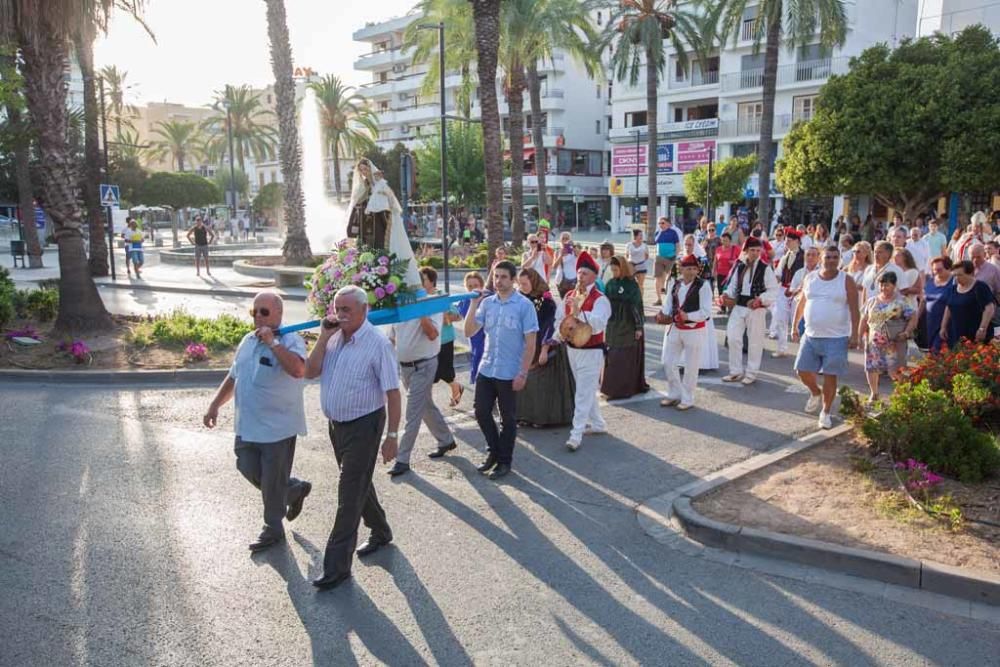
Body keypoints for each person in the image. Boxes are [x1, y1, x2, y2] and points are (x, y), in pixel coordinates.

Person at [305, 286, 401, 590]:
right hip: (337, 425)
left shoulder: (377, 344)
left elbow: (393, 393)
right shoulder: (332, 338)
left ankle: (336, 567)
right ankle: (381, 530)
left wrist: (392, 436)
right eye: (337, 308)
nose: (340, 315)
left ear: (364, 310)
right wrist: (322, 337)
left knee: (348, 495)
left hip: (366, 425)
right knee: (358, 483)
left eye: (347, 310)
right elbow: (309, 371)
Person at [202, 292, 311, 552]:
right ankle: (293, 490)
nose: (258, 317)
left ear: (279, 314)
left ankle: (273, 529)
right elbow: (233, 377)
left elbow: (298, 370)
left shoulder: (291, 340)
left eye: (264, 312)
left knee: (272, 480)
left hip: (278, 428)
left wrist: (274, 343)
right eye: (255, 312)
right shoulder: (247, 341)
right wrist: (215, 405)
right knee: (246, 465)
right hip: (248, 425)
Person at [463, 260, 538, 479]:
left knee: (508, 419)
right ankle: (493, 451)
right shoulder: (487, 304)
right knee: (481, 411)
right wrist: (474, 304)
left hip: (509, 371)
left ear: (513, 279)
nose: (499, 281)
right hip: (487, 368)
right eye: (496, 276)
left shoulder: (524, 306)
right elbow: (468, 331)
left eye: (504, 277)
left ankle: (504, 461)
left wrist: (523, 372)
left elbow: (531, 343)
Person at [386, 268, 457, 477]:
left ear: (429, 284)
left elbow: (434, 334)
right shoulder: (401, 304)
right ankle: (446, 440)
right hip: (405, 366)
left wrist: (420, 313)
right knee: (425, 405)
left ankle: (402, 459)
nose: (415, 285)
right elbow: (391, 337)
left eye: (421, 281)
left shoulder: (432, 305)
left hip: (424, 365)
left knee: (413, 411)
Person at [791, 247, 859, 429]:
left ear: (839, 259)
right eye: (828, 257)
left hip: (836, 337)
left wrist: (855, 335)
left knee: (831, 375)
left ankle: (826, 412)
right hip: (811, 334)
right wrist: (794, 326)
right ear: (821, 258)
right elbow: (802, 303)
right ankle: (815, 392)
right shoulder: (811, 278)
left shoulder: (846, 280)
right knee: (801, 370)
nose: (831, 260)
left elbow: (854, 308)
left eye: (835, 257)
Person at [557, 251, 611, 451]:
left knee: (582, 393)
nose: (580, 276)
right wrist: (557, 335)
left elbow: (598, 324)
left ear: (594, 276)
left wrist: (581, 312)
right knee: (584, 388)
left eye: (585, 273)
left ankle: (575, 435)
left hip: (592, 350)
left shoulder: (600, 299)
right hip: (573, 348)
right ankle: (598, 424)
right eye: (579, 273)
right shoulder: (570, 296)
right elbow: (559, 319)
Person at [515, 268, 574, 426]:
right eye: (519, 284)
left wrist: (544, 350)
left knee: (541, 385)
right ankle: (524, 416)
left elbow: (550, 326)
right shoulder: (518, 298)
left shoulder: (546, 301)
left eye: (525, 284)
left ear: (533, 281)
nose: (521, 287)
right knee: (525, 384)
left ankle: (543, 418)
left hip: (543, 346)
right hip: (525, 346)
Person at [657, 255, 714, 410]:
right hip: (675, 328)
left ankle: (687, 398)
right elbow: (668, 303)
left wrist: (689, 316)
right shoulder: (675, 284)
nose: (691, 271)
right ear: (681, 269)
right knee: (669, 362)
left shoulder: (703, 286)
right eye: (688, 268)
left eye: (694, 269)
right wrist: (662, 314)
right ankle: (674, 393)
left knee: (691, 366)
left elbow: (706, 312)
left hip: (694, 330)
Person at [721, 237, 779, 385]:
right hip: (739, 306)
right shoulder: (739, 266)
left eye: (758, 250)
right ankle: (735, 371)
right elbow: (733, 286)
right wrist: (727, 294)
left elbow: (773, 290)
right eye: (752, 250)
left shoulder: (765, 268)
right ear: (746, 251)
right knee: (733, 337)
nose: (755, 253)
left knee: (755, 341)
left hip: (756, 309)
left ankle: (752, 373)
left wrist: (760, 299)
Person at [860, 272, 919, 403]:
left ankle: (903, 395)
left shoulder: (901, 301)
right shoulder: (872, 301)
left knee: (896, 371)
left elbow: (913, 317)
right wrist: (859, 337)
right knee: (872, 368)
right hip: (874, 342)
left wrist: (906, 332)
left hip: (894, 342)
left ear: (894, 285)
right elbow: (864, 320)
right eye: (881, 285)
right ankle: (874, 394)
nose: (883, 288)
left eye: (887, 285)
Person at [600, 255, 648, 399]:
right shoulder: (610, 284)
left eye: (616, 270)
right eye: (612, 270)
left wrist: (638, 327)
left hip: (628, 324)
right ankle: (610, 388)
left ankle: (622, 390)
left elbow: (637, 306)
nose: (614, 273)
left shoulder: (631, 284)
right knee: (611, 355)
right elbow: (605, 303)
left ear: (623, 268)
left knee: (623, 357)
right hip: (613, 324)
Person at [940, 260, 997, 347]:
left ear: (970, 273)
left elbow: (989, 308)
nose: (956, 278)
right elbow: (948, 307)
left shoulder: (980, 287)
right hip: (956, 334)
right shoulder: (952, 289)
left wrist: (982, 329)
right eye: (954, 275)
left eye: (960, 275)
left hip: (976, 335)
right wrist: (943, 327)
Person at [771, 228, 804, 354]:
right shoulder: (786, 256)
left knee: (798, 319)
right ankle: (782, 348)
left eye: (789, 241)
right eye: (786, 240)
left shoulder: (803, 256)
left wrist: (797, 288)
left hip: (798, 291)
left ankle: (803, 349)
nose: (787, 243)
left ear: (797, 241)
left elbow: (806, 274)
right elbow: (779, 273)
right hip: (783, 290)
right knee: (780, 318)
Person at [918, 256, 953, 353]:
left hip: (946, 323)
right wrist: (916, 318)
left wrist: (943, 326)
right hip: (930, 323)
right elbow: (923, 301)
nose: (936, 272)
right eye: (934, 270)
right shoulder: (930, 281)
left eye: (939, 270)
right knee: (932, 348)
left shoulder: (954, 282)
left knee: (939, 350)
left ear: (948, 268)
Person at [457, 271, 487, 384]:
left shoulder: (488, 300)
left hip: (486, 339)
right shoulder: (464, 301)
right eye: (469, 286)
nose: (473, 289)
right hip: (473, 338)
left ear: (481, 286)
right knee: (476, 363)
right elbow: (456, 316)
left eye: (476, 286)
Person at [653, 217, 680, 306]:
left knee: (670, 278)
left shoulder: (673, 233)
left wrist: (676, 256)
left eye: (663, 223)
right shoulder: (658, 232)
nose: (661, 225)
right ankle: (658, 299)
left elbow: (677, 245)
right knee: (657, 278)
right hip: (659, 257)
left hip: (670, 258)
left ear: (668, 224)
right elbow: (656, 241)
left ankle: (669, 298)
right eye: (659, 223)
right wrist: (661, 232)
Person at [714, 232, 740, 314]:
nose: (724, 242)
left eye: (726, 240)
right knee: (720, 290)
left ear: (730, 241)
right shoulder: (718, 249)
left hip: (731, 274)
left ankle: (731, 308)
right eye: (723, 240)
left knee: (730, 291)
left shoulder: (735, 249)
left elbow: (741, 260)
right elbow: (715, 261)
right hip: (720, 273)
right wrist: (713, 271)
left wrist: (734, 262)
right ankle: (722, 308)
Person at [555, 231, 578, 298]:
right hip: (561, 281)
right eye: (563, 238)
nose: (565, 240)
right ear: (560, 240)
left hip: (574, 280)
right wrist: (561, 255)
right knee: (564, 302)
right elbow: (554, 266)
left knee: (573, 302)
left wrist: (574, 248)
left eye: (567, 238)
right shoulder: (558, 252)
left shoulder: (574, 251)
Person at [627, 228, 649, 294]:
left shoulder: (644, 246)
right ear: (635, 236)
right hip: (631, 266)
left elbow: (647, 256)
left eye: (642, 235)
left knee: (640, 285)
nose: (641, 237)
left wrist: (640, 261)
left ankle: (640, 300)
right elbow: (627, 255)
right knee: (630, 284)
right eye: (640, 235)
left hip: (641, 266)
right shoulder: (629, 245)